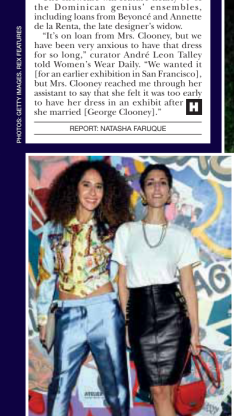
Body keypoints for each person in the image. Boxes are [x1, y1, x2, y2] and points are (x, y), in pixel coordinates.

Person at [35, 160, 132, 416]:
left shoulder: (114, 229)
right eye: (86, 185)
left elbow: (123, 278)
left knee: (117, 388)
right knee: (60, 387)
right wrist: (43, 318)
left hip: (105, 313)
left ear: (106, 192)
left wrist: (127, 318)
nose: (92, 193)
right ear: (73, 188)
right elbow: (46, 275)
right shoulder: (54, 228)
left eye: (99, 187)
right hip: (68, 314)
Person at [114, 164, 201, 416]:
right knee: (158, 392)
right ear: (143, 192)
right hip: (140, 316)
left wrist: (195, 330)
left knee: (170, 392)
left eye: (162, 182)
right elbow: (122, 283)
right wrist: (127, 323)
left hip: (173, 316)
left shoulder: (182, 235)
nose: (156, 188)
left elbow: (188, 285)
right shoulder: (126, 232)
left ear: (170, 192)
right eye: (150, 182)